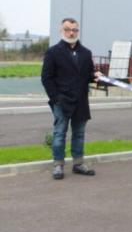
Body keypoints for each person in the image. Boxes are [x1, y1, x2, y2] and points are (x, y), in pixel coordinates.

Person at [41, 17, 101, 180]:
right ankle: (58, 165)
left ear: (78, 31)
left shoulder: (86, 53)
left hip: (81, 101)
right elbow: (46, 78)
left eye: (74, 29)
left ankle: (78, 164)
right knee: (60, 133)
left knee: (79, 134)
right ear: (61, 30)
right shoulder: (53, 52)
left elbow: (87, 75)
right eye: (67, 29)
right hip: (62, 101)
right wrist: (55, 98)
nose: (71, 32)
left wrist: (94, 76)